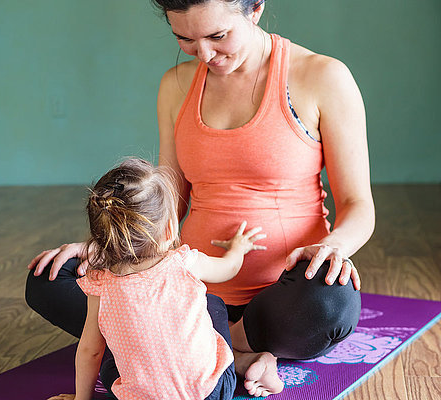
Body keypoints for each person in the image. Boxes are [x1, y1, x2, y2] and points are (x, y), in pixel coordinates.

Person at [27, 0, 373, 397]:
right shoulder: (175, 85)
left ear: (256, 8)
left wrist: (333, 248)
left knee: (330, 303)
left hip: (278, 301)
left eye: (218, 36)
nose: (205, 54)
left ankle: (204, 345)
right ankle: (232, 357)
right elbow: (167, 198)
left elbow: (358, 205)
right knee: (50, 277)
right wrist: (110, 249)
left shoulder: (323, 77)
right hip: (180, 295)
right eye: (185, 39)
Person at [48, 158, 267, 400]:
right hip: (211, 392)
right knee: (213, 304)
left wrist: (81, 399)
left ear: (100, 241)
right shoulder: (184, 262)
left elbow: (90, 352)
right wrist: (238, 247)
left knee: (110, 365)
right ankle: (242, 361)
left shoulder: (101, 286)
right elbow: (229, 268)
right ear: (170, 229)